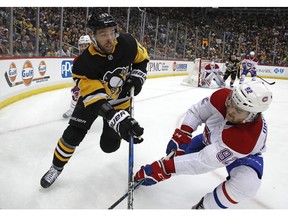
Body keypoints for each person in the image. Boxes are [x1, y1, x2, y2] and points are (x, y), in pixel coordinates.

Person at [40, 12, 150, 188]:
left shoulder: (128, 43)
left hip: (120, 101)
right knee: (72, 135)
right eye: (102, 34)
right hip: (91, 102)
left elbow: (142, 60)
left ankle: (119, 132)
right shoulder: (83, 64)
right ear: (93, 37)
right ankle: (56, 167)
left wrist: (137, 76)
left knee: (109, 147)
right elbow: (96, 99)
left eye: (111, 32)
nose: (109, 38)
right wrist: (117, 119)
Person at [134, 81, 272, 209]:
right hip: (209, 138)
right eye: (232, 103)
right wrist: (183, 134)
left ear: (251, 115)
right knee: (176, 155)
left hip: (243, 156)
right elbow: (197, 112)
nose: (230, 111)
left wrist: (165, 168)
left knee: (246, 185)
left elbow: (202, 162)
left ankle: (205, 207)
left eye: (239, 110)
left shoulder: (245, 139)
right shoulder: (223, 97)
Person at [63, 35, 92, 119]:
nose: (83, 48)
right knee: (76, 92)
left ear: (89, 45)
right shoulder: (77, 59)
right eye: (82, 46)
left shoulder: (96, 57)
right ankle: (72, 109)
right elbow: (76, 74)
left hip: (95, 81)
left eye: (85, 45)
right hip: (83, 81)